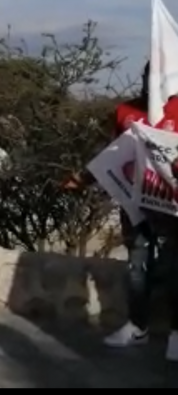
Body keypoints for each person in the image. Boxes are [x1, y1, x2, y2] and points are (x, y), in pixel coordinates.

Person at [98, 62, 178, 361]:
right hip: (135, 204)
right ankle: (137, 327)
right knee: (136, 267)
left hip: (171, 206)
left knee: (173, 268)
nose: (152, 82)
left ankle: (176, 333)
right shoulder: (125, 111)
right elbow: (114, 153)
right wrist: (85, 177)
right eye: (148, 75)